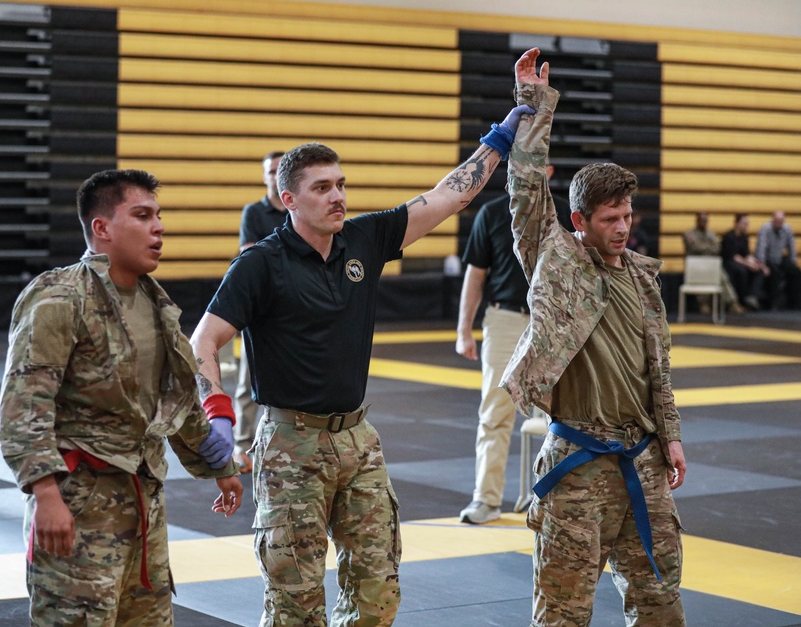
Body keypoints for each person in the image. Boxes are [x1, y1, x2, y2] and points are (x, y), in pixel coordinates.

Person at [187, 48, 543, 627]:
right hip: (288, 444)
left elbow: (450, 194)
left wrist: (510, 124)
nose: (338, 196)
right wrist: (221, 420)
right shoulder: (260, 264)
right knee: (295, 605)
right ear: (289, 199)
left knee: (377, 594)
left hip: (358, 439)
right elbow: (204, 340)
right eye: (322, 187)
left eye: (341, 184)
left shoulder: (365, 238)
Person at [0, 168, 243, 625]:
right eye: (143, 215)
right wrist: (45, 493)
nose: (159, 227)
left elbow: (177, 397)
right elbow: (24, 403)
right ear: (102, 228)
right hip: (79, 503)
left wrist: (219, 466)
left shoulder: (157, 303)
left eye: (158, 215)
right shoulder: (60, 298)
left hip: (144, 502)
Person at [500, 52, 687, 626]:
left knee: (660, 597)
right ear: (580, 221)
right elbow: (527, 188)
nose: (624, 227)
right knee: (563, 610)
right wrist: (534, 104)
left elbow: (659, 371)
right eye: (611, 218)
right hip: (578, 464)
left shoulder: (644, 279)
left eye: (628, 215)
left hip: (644, 458)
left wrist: (672, 438)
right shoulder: (556, 262)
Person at [455, 163, 553, 524]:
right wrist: (464, 329)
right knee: (495, 412)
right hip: (505, 318)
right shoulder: (492, 213)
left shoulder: (559, 214)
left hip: (551, 320)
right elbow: (475, 274)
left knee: (558, 416)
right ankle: (486, 499)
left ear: (549, 172)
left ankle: (549, 498)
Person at [232, 151, 287, 473]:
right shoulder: (254, 212)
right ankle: (241, 446)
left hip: (292, 305)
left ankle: (278, 444)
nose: (274, 176)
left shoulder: (298, 210)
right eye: (270, 171)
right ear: (264, 176)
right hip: (259, 305)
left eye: (280, 171)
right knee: (247, 381)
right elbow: (248, 255)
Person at [682, 211, 743, 315]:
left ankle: (732, 303)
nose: (704, 223)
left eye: (705, 221)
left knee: (722, 277)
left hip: (709, 265)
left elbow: (717, 248)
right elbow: (695, 248)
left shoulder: (711, 233)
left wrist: (704, 247)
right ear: (697, 221)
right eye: (701, 220)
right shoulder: (689, 234)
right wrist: (708, 247)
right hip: (695, 266)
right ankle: (704, 304)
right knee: (708, 275)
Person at [755, 211, 801, 310]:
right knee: (774, 273)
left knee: (796, 272)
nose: (780, 224)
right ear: (773, 221)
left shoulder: (787, 229)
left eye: (782, 222)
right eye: (778, 222)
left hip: (779, 257)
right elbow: (761, 248)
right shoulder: (765, 229)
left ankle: (795, 302)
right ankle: (773, 303)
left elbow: (791, 247)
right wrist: (762, 265)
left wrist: (793, 262)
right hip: (768, 258)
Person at [721, 213, 767, 310]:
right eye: (744, 224)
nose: (746, 226)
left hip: (740, 261)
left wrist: (757, 264)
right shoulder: (728, 236)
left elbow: (747, 254)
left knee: (759, 270)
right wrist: (748, 264)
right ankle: (742, 299)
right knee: (742, 271)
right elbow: (734, 257)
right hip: (728, 262)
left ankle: (752, 296)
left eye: (747, 224)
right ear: (737, 224)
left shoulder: (744, 237)